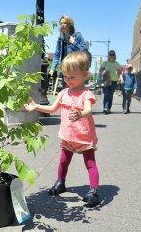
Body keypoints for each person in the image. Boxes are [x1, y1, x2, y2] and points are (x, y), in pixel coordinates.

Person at [24, 51, 100, 207]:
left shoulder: (86, 94)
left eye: (72, 77)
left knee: (90, 163)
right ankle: (60, 183)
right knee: (63, 162)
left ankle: (94, 190)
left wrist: (80, 114)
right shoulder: (64, 93)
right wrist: (36, 106)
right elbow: (52, 109)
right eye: (65, 76)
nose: (68, 80)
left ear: (85, 74)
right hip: (68, 135)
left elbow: (88, 110)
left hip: (83, 136)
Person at [49, 14, 87, 90]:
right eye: (61, 23)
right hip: (64, 68)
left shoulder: (77, 36)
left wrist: (74, 43)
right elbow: (57, 54)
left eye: (64, 23)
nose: (62, 25)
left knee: (74, 89)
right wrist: (52, 68)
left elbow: (84, 52)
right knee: (65, 89)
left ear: (70, 24)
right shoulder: (60, 39)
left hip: (75, 67)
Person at [99, 50, 122, 114]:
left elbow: (119, 72)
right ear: (108, 56)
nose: (111, 56)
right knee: (106, 94)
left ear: (115, 56)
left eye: (113, 54)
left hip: (114, 81)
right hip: (106, 81)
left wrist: (121, 79)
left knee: (110, 95)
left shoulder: (116, 63)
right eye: (110, 54)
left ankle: (108, 108)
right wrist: (100, 76)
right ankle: (105, 108)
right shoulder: (105, 63)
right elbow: (100, 70)